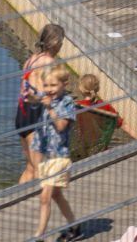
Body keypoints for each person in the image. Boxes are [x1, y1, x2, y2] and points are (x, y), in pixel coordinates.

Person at [32, 65, 82, 242]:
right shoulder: (46, 99)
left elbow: (61, 126)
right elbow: (39, 134)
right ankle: (74, 226)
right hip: (46, 157)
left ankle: (39, 235)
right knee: (56, 196)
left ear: (64, 84)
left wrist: (50, 108)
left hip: (59, 157)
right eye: (46, 85)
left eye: (53, 85)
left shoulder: (67, 103)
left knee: (45, 197)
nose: (49, 89)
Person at [16, 23, 65, 183]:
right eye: (62, 41)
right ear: (55, 42)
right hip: (36, 115)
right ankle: (36, 203)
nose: (62, 45)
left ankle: (16, 201)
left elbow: (25, 88)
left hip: (22, 114)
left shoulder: (30, 60)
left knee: (30, 166)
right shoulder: (50, 63)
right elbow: (42, 93)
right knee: (39, 167)